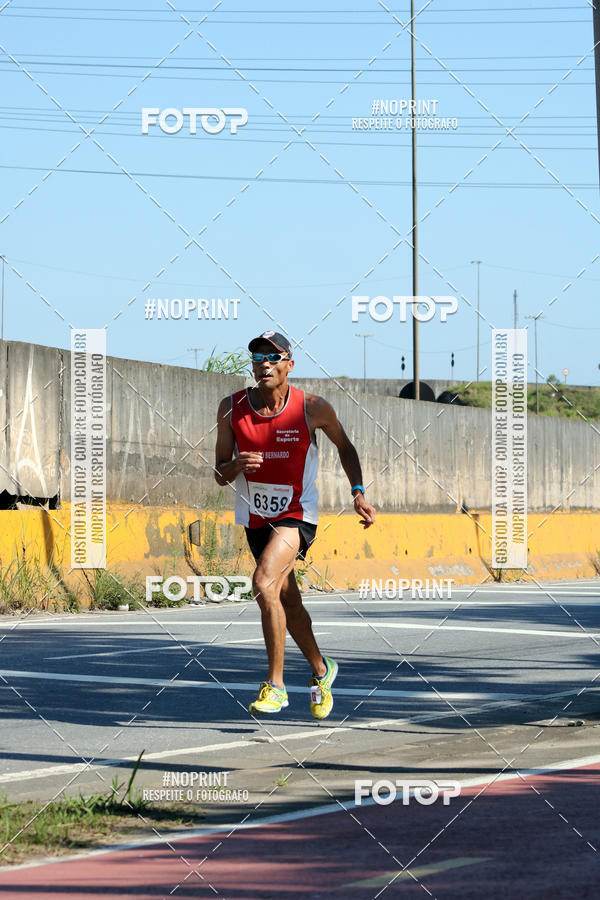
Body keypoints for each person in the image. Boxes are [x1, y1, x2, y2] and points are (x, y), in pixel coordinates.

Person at [214, 330, 376, 719]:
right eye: (257, 358)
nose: (264, 364)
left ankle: (276, 686)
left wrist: (358, 492)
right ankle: (322, 670)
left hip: (296, 515)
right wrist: (236, 465)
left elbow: (345, 446)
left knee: (263, 582)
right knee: (286, 599)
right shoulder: (230, 408)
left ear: (289, 363)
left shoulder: (312, 407)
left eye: (273, 357)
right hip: (257, 519)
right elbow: (219, 473)